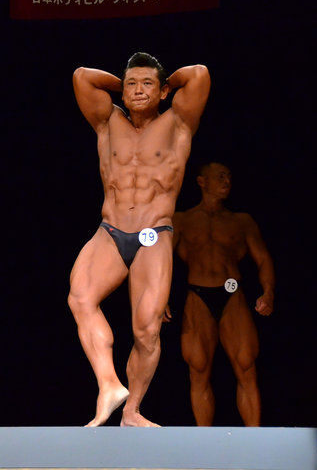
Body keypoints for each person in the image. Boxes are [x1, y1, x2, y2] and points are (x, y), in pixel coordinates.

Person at [67, 52, 210, 427]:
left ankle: (132, 411)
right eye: (131, 84)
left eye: (147, 84)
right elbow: (82, 75)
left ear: (164, 91)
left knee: (146, 331)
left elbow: (198, 73)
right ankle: (109, 385)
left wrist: (161, 83)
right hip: (110, 230)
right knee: (80, 297)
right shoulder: (107, 120)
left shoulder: (178, 121)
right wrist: (126, 85)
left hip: (153, 234)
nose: (137, 90)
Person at [172, 162, 274, 426]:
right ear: (201, 182)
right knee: (198, 368)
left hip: (232, 291)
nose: (226, 181)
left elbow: (263, 259)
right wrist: (158, 300)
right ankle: (205, 440)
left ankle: (254, 439)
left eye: (228, 176)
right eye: (219, 176)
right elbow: (161, 262)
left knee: (247, 365)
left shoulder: (241, 221)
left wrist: (268, 292)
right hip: (198, 294)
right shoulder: (181, 220)